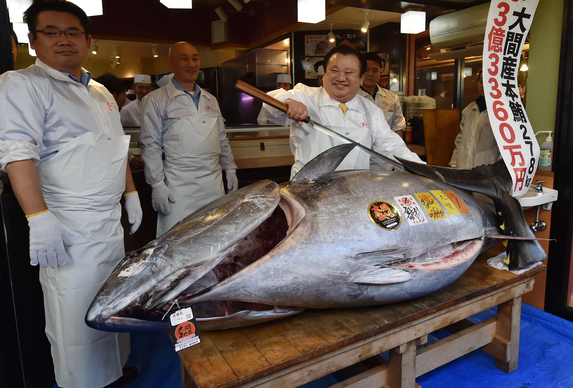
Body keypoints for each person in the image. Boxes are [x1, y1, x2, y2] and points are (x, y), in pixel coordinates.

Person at [0, 2, 142, 387]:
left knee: (113, 300)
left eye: (72, 32)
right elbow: (17, 154)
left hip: (108, 223)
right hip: (67, 224)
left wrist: (130, 191)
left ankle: (115, 370)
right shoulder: (22, 84)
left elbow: (116, 147)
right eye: (51, 32)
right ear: (33, 41)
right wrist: (38, 218)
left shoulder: (100, 92)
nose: (63, 40)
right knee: (73, 312)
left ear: (88, 40)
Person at [258, 45, 422, 178]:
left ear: (361, 77)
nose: (341, 78)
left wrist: (425, 172)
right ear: (324, 74)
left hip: (354, 191)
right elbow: (270, 106)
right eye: (334, 71)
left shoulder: (371, 111)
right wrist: (288, 103)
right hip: (307, 190)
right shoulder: (304, 95)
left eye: (349, 72)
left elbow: (393, 147)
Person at [140, 42, 238, 237]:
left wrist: (230, 168)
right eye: (184, 58)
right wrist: (157, 184)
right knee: (177, 239)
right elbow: (150, 145)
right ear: (171, 64)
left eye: (195, 58)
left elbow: (221, 138)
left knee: (213, 237)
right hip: (178, 185)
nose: (191, 63)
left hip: (213, 182)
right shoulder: (155, 99)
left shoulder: (210, 99)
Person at [449, 71, 501, 169]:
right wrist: (454, 164)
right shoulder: (469, 109)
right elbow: (460, 141)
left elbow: (504, 149)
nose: (483, 85)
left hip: (486, 171)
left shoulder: (500, 113)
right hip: (463, 169)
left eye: (488, 82)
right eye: (481, 81)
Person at [358, 52, 405, 135]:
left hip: (385, 146)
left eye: (375, 70)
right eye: (366, 70)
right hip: (360, 145)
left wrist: (399, 147)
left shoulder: (392, 97)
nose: (371, 74)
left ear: (380, 72)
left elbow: (398, 128)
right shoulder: (350, 96)